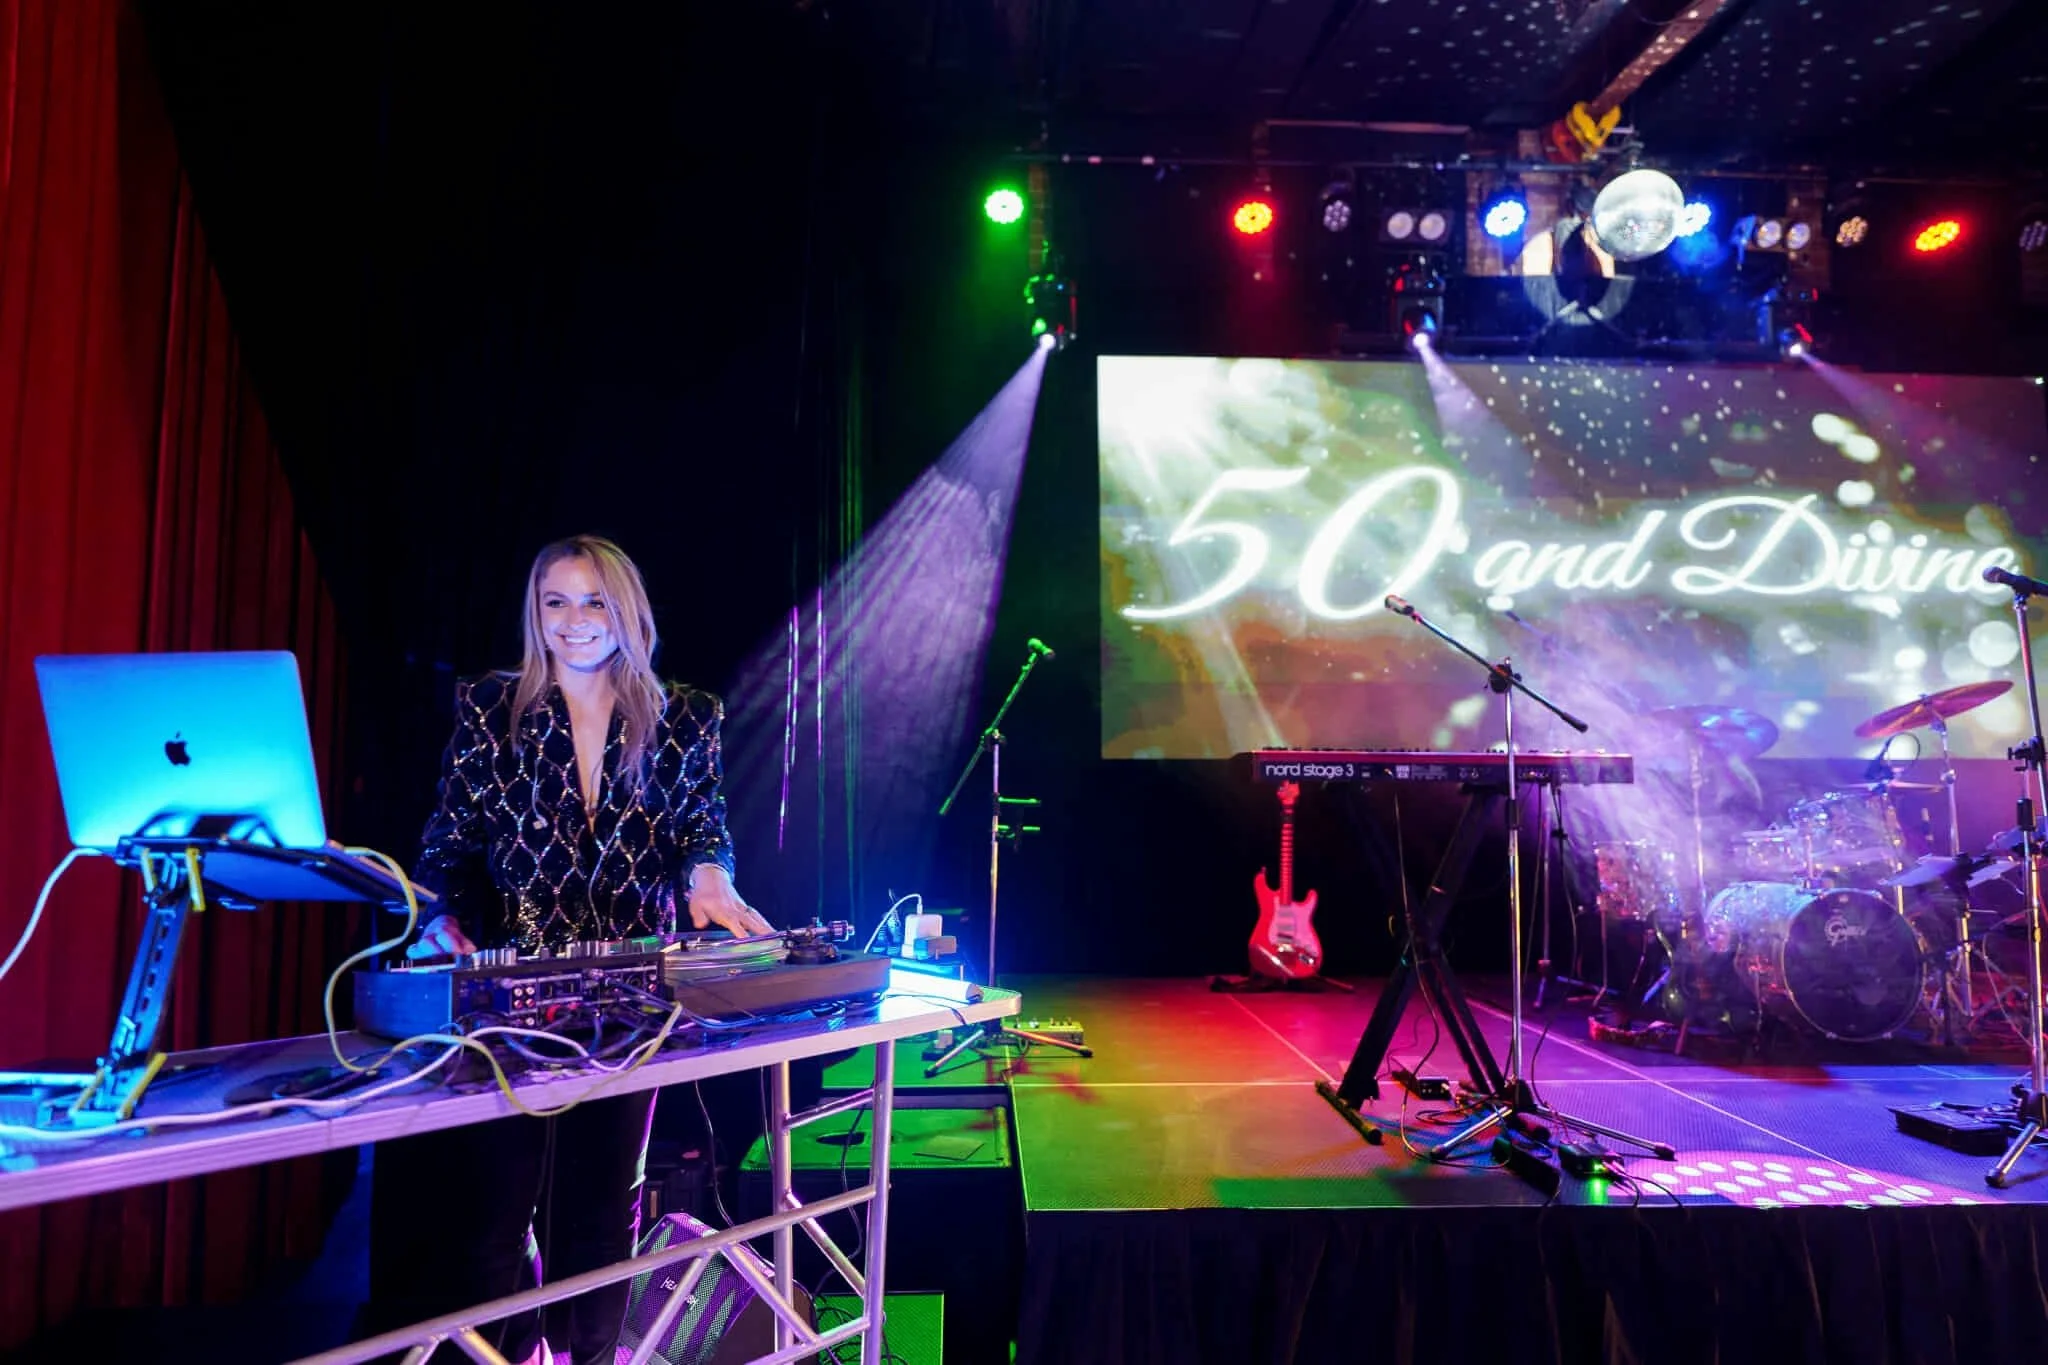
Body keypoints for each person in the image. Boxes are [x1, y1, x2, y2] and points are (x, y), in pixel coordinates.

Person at [361, 534, 771, 1365]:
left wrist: (710, 877)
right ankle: (514, 1356)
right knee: (495, 1215)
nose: (575, 620)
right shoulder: (492, 707)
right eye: (556, 601)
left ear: (627, 611)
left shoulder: (685, 717)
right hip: (516, 996)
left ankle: (592, 1357)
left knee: (603, 1212)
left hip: (634, 998)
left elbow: (703, 829)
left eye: (594, 601)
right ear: (535, 611)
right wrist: (438, 917)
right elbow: (447, 844)